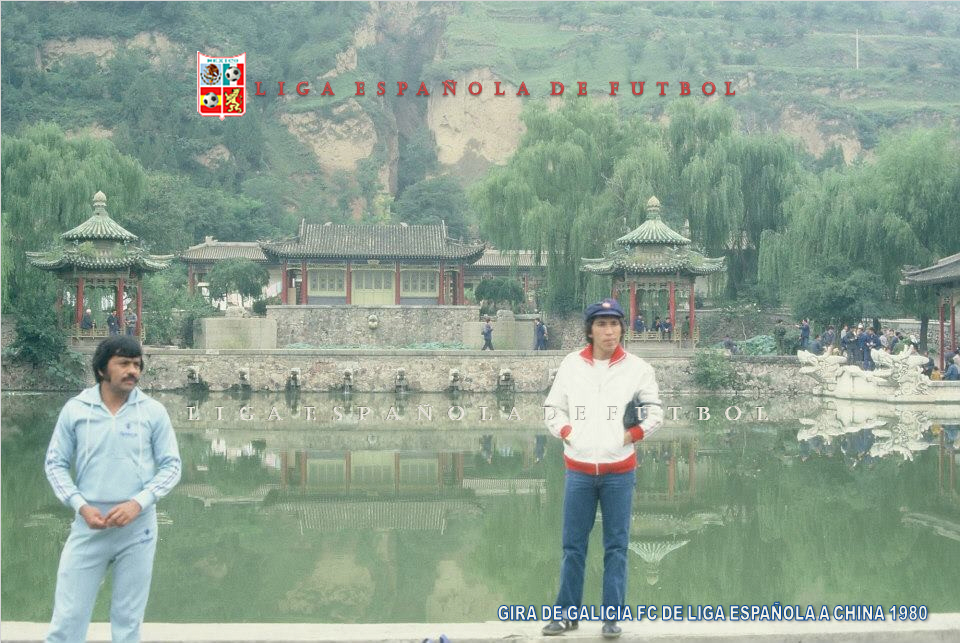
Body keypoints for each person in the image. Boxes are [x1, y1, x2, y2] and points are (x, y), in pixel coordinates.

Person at [44, 336, 181, 643]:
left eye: (137, 364)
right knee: (67, 619)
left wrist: (138, 502)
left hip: (138, 527)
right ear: (101, 369)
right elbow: (55, 464)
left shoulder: (153, 411)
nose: (133, 370)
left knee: (127, 621)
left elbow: (172, 466)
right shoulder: (76, 409)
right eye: (123, 363)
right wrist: (79, 504)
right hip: (89, 523)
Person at [541, 298, 664, 639]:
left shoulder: (638, 368)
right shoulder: (571, 365)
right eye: (601, 324)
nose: (609, 331)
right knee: (572, 546)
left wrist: (629, 436)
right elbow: (553, 409)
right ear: (590, 330)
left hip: (619, 472)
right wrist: (569, 432)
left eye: (614, 324)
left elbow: (655, 413)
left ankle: (612, 618)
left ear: (622, 329)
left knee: (616, 546)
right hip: (579, 471)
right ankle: (566, 615)